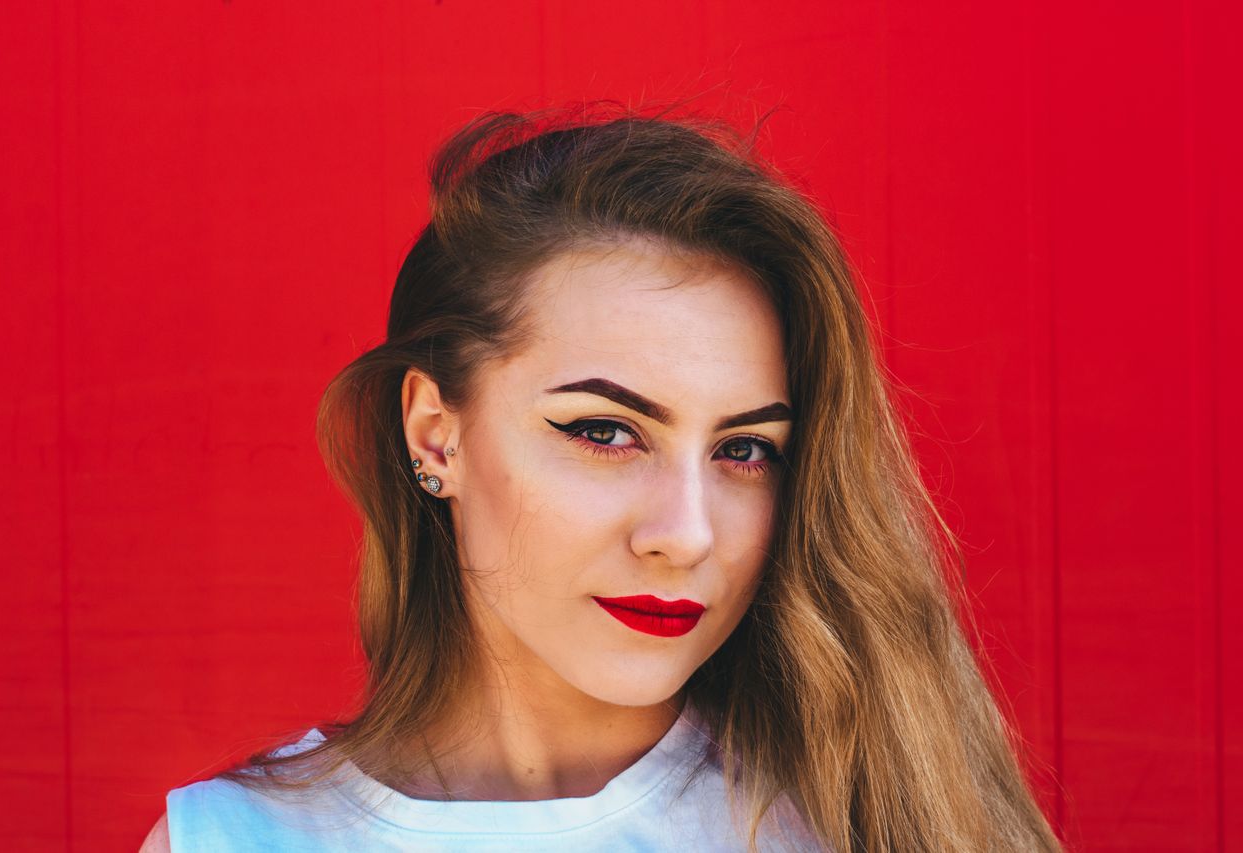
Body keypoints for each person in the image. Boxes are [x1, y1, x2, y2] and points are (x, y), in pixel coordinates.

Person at [142, 107, 1062, 852]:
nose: (688, 532)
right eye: (606, 430)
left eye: (744, 449)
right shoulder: (231, 840)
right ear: (436, 434)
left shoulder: (868, 822)